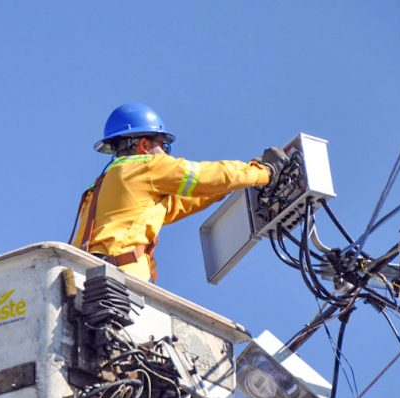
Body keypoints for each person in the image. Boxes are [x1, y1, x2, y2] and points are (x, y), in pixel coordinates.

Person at [70, 102, 288, 282]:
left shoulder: (109, 184)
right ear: (144, 145)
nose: (165, 152)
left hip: (87, 278)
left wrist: (226, 187)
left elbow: (179, 204)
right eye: (163, 146)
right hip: (120, 279)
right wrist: (263, 172)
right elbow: (204, 176)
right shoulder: (146, 166)